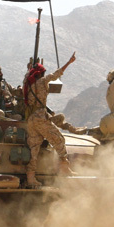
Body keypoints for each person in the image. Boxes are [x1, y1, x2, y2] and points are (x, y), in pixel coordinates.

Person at [23, 52, 77, 188]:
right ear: (41, 74)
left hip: (31, 119)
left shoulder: (28, 84)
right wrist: (69, 62)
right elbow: (56, 74)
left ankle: (30, 178)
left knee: (34, 149)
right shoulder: (42, 81)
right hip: (40, 117)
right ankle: (64, 167)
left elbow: (27, 76)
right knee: (59, 139)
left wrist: (30, 69)